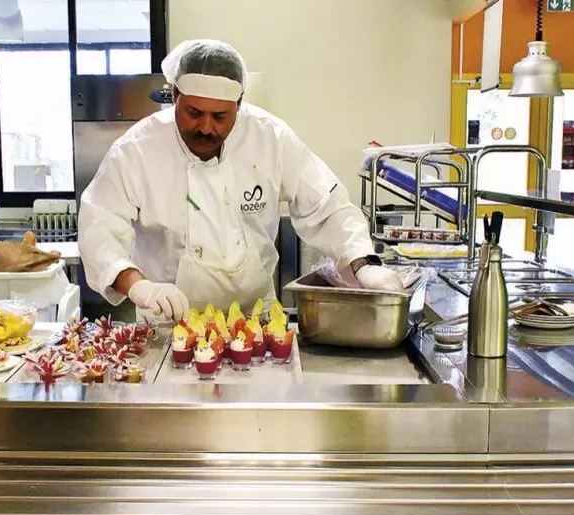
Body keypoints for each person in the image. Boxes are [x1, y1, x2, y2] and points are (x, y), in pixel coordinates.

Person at [78, 39, 403, 322]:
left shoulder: (270, 137)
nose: (206, 127)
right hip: (167, 323)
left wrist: (364, 264)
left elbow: (328, 206)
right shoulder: (136, 150)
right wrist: (138, 285)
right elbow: (99, 226)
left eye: (220, 116)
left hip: (255, 321)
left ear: (240, 102)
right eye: (193, 113)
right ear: (174, 95)